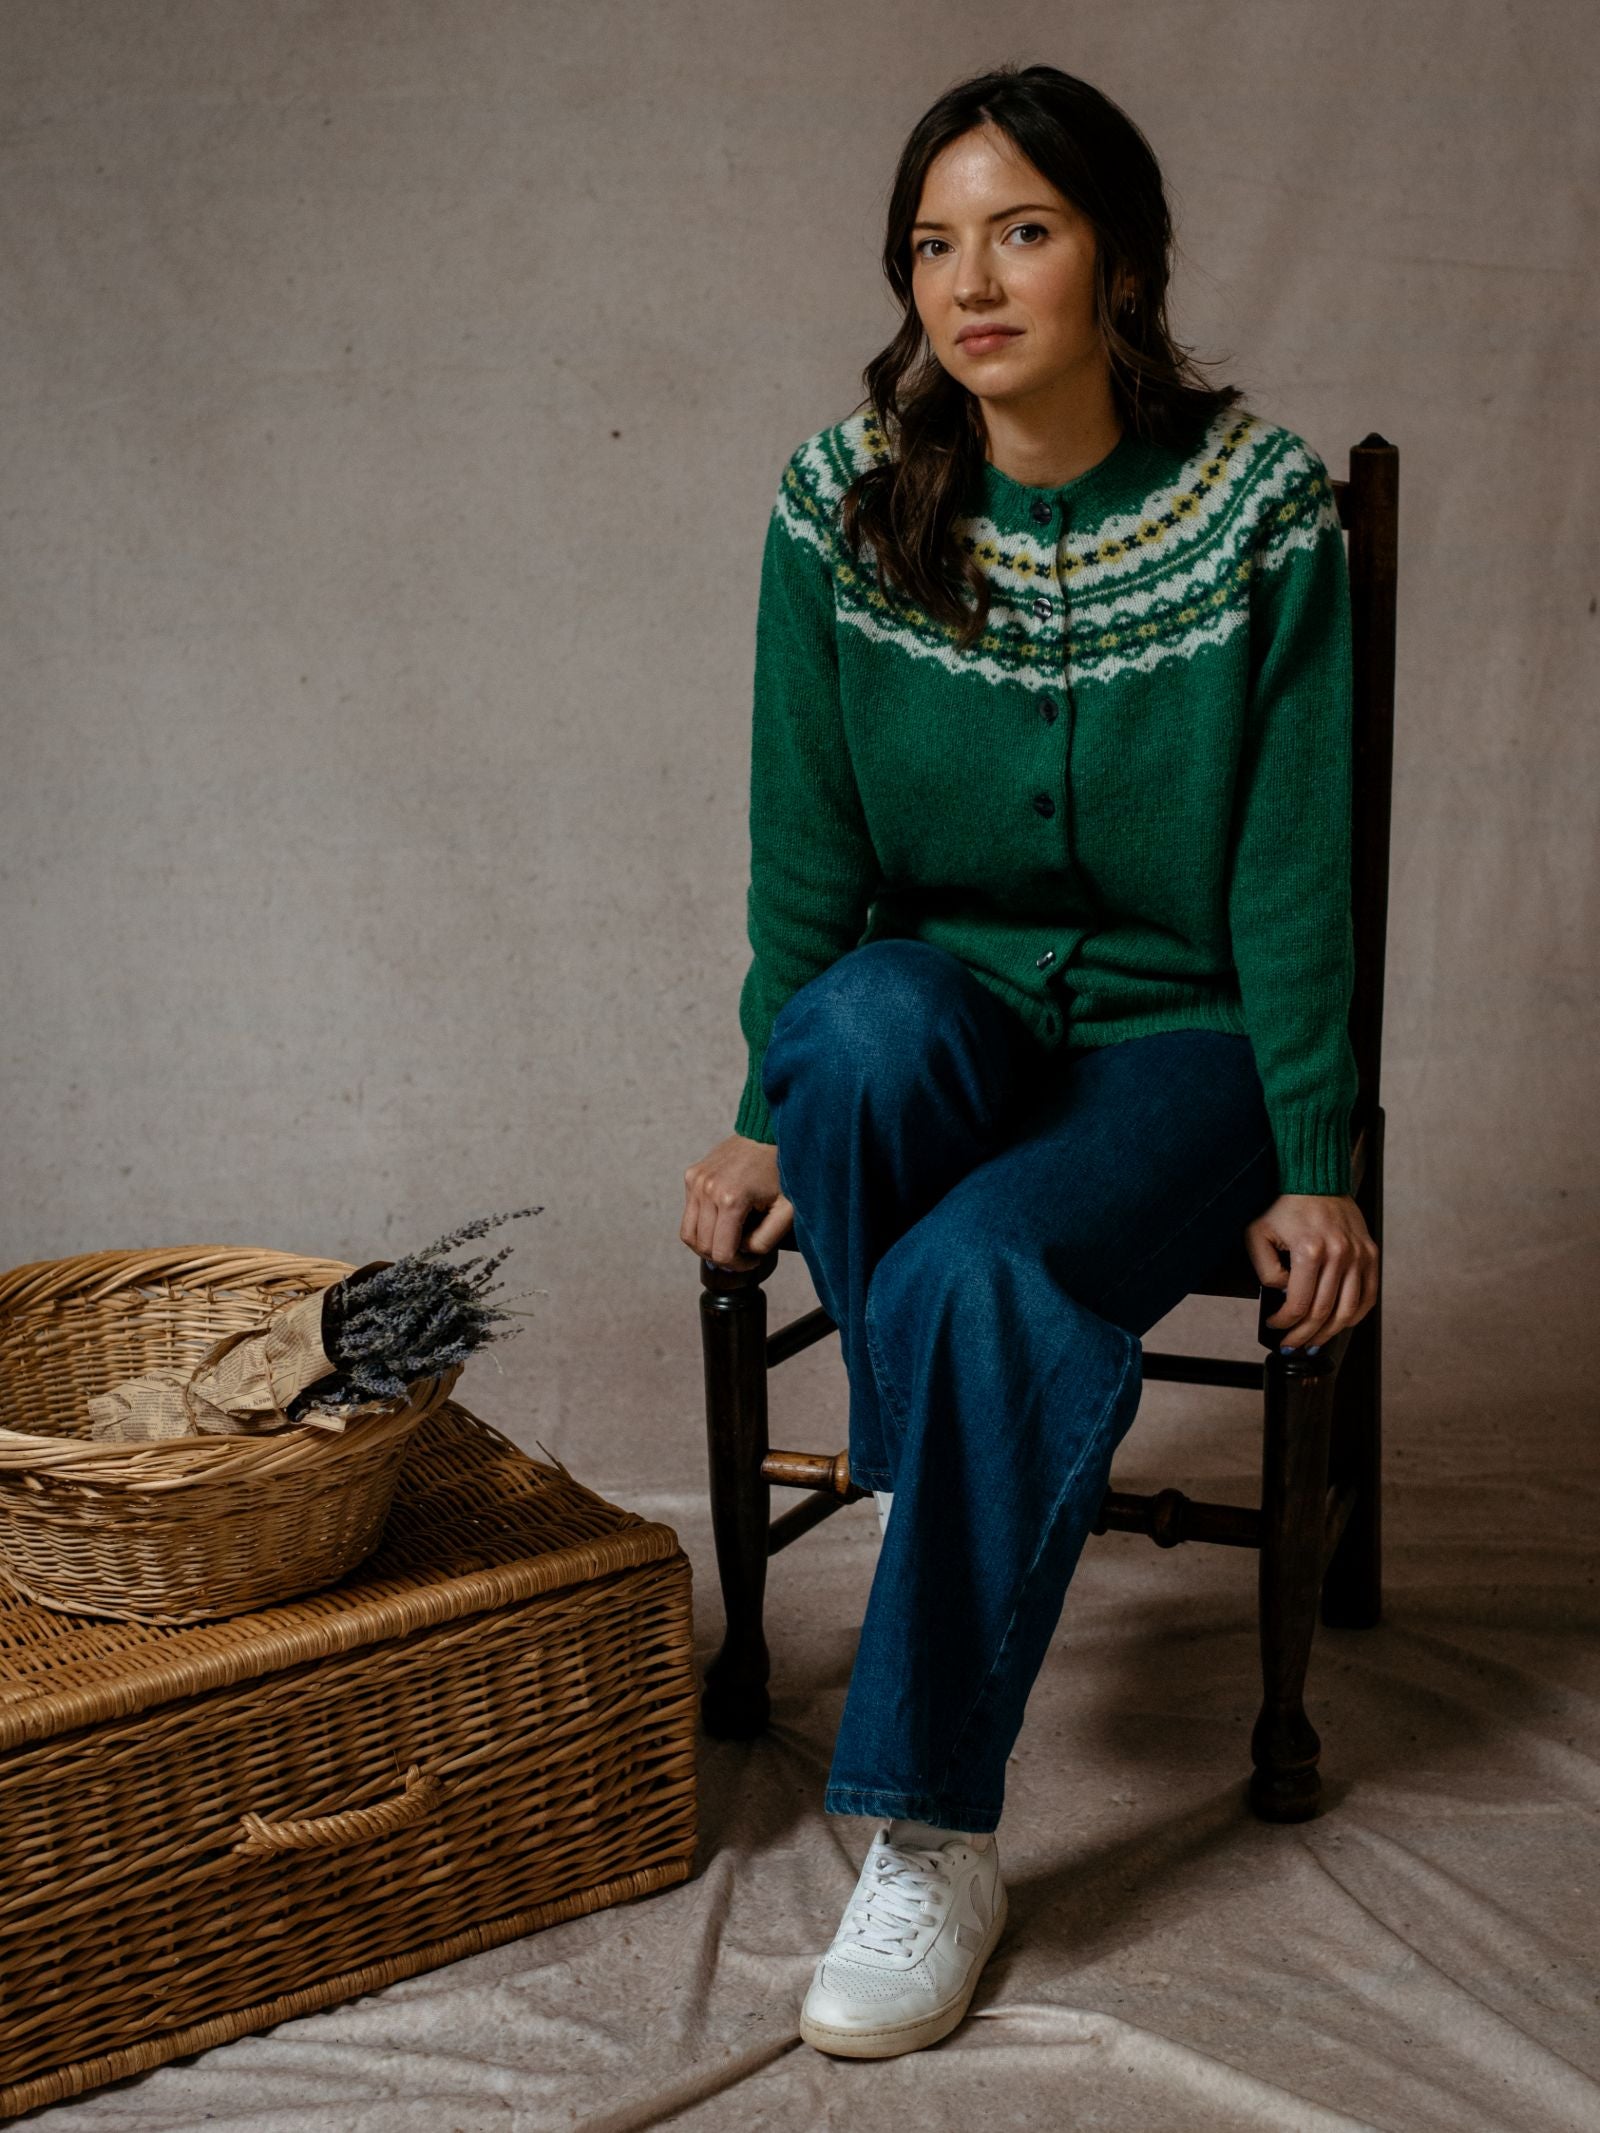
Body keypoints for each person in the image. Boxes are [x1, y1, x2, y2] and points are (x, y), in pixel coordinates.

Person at [680, 60, 1380, 2061]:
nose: (966, 281)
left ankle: (929, 1828)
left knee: (985, 1266)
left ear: (1119, 259)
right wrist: (755, 1118)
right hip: (956, 1029)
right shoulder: (840, 502)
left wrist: (1315, 1147)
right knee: (853, 1017)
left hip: (1183, 1048)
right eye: (930, 241)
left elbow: (1295, 863)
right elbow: (805, 847)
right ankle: (951, 1471)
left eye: (1020, 229)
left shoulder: (1253, 505)